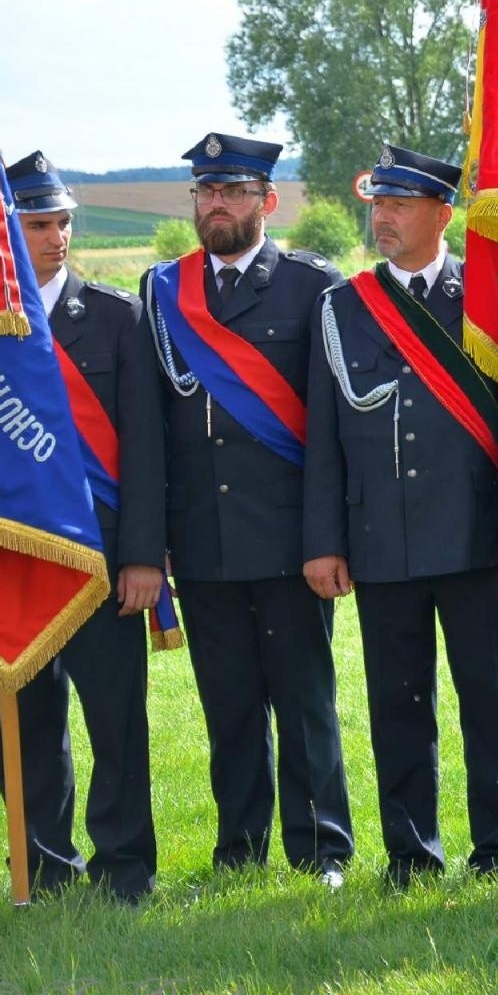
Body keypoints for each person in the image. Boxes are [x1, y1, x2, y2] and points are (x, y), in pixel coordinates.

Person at [303, 145, 498, 891]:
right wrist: (325, 542)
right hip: (381, 539)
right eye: (378, 205)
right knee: (398, 702)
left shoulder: (489, 298)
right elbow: (326, 436)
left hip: (473, 536)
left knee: (487, 702)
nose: (384, 218)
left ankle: (497, 848)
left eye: (400, 205)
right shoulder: (341, 307)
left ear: (442, 213)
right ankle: (410, 852)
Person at [144, 132, 353, 884]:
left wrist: (329, 534)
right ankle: (239, 847)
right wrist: (162, 535)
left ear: (266, 201)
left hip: (291, 536)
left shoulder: (312, 285)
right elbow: (154, 428)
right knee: (228, 703)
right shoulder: (162, 291)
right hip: (203, 538)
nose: (217, 205)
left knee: (302, 698)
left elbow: (332, 427)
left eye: (232, 192)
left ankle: (321, 845)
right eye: (205, 192)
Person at [0, 151, 164, 902]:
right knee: (23, 726)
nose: (55, 237)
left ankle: (125, 867)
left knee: (116, 721)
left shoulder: (118, 316)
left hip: (102, 560)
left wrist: (143, 557)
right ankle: (42, 865)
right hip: (16, 559)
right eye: (37, 224)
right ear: (5, 233)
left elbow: (148, 450)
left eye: (62, 222)